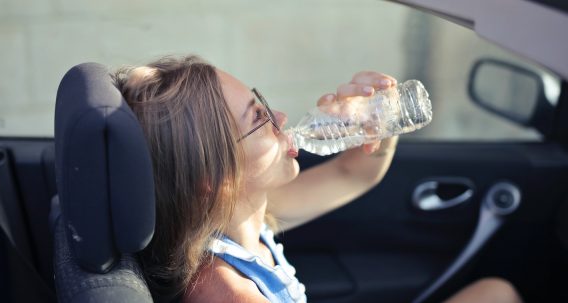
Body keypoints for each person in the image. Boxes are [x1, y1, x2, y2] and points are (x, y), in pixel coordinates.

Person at [113, 55, 522, 303]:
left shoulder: (244, 220)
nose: (282, 120)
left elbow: (353, 174)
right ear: (215, 176)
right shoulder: (226, 293)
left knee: (496, 293)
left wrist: (376, 126)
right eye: (259, 118)